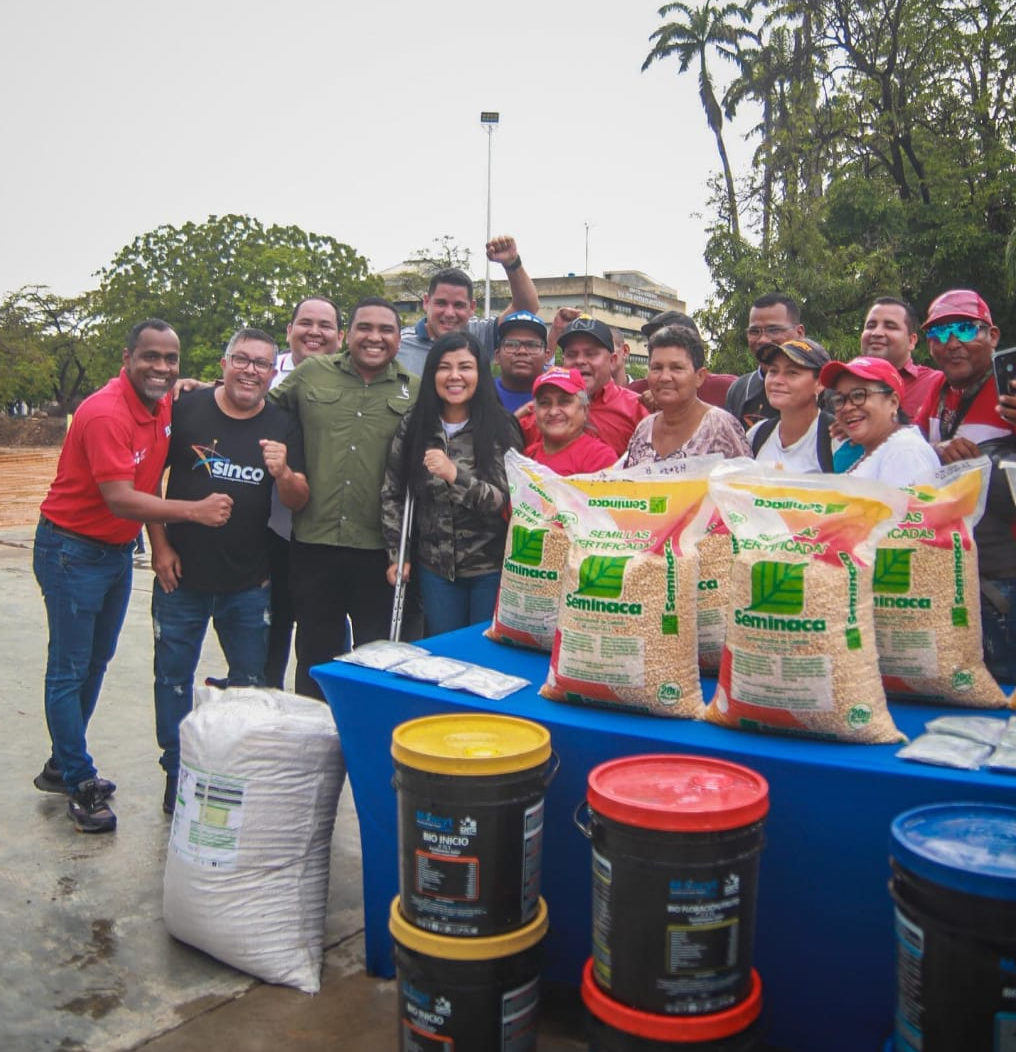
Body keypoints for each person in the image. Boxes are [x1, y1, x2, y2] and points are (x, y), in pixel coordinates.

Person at [33, 319, 233, 833]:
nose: (162, 368)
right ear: (127, 359)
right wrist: (193, 511)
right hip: (71, 550)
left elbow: (190, 401)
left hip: (116, 551)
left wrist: (199, 385)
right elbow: (121, 498)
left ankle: (62, 760)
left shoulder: (162, 401)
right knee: (69, 667)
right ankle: (78, 779)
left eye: (171, 359)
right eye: (151, 357)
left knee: (96, 661)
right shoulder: (105, 413)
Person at [149, 328, 308, 814]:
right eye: (241, 359)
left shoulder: (282, 424)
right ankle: (176, 771)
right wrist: (159, 547)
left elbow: (298, 499)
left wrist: (283, 472)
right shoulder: (187, 409)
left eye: (261, 364)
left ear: (273, 372)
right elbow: (148, 479)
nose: (250, 371)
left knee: (248, 685)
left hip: (248, 583)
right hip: (180, 576)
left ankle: (237, 772)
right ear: (224, 364)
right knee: (173, 679)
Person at [270, 296, 419, 698]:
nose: (374, 337)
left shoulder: (415, 390)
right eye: (364, 328)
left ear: (399, 338)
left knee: (377, 663)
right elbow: (260, 410)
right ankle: (315, 736)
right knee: (315, 660)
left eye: (386, 330)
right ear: (347, 334)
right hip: (314, 544)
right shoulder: (311, 374)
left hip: (380, 553)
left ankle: (364, 735)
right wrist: (202, 391)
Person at [382, 331, 523, 635]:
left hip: (490, 568)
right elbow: (394, 492)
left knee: (482, 652)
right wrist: (397, 554)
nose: (454, 376)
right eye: (444, 367)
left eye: (465, 367)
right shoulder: (415, 424)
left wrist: (454, 475)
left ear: (480, 374)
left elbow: (504, 500)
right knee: (442, 650)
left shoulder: (500, 425)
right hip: (436, 569)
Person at [914, 289, 1016, 683]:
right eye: (939, 333)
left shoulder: (1008, 386)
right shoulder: (938, 390)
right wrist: (937, 449)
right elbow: (912, 449)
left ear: (993, 335)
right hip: (956, 573)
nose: (952, 342)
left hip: (1006, 574)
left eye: (965, 329)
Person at [264, 296, 343, 688]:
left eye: (325, 325)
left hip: (328, 534)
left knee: (323, 640)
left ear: (340, 337)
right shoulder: (264, 373)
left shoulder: (354, 378)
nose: (315, 332)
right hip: (271, 531)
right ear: (289, 330)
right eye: (305, 323)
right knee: (269, 632)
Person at [396, 236, 539, 376]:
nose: (449, 313)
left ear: (472, 307)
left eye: (459, 305)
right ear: (426, 302)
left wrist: (512, 263)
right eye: (441, 303)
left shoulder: (480, 335)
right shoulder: (399, 346)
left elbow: (526, 309)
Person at [624, 325, 752, 466]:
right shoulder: (644, 429)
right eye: (657, 368)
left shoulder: (720, 426)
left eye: (676, 368)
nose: (664, 377)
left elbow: (747, 477)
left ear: (700, 376)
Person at [521, 315, 648, 455]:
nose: (580, 361)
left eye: (591, 354)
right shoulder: (542, 412)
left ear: (612, 360)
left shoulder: (637, 410)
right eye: (571, 354)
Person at [819, 356, 939, 485]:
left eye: (859, 395)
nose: (847, 407)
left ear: (893, 402)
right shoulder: (879, 452)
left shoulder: (905, 452)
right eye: (839, 400)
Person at [747, 338, 837, 473]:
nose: (777, 380)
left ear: (819, 383)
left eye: (792, 372)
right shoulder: (757, 435)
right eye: (773, 371)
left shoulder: (835, 437)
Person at [725, 293, 806, 429]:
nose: (762, 340)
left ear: (799, 333)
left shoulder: (825, 389)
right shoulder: (740, 390)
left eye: (773, 330)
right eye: (754, 331)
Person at [524, 367, 618, 475]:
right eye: (544, 403)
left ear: (584, 410)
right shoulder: (529, 456)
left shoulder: (600, 458)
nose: (553, 412)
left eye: (564, 402)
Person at [634, 309, 736, 409]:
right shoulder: (636, 393)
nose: (665, 377)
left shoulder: (729, 389)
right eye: (652, 343)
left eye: (677, 368)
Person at [860, 296, 942, 418]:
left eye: (890, 326)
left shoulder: (937, 384)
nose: (876, 333)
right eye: (871, 326)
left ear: (911, 341)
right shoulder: (844, 385)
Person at [493, 310, 553, 411]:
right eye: (511, 344)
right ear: (497, 356)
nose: (522, 351)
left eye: (532, 345)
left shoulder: (562, 396)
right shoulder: (480, 395)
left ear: (547, 356)